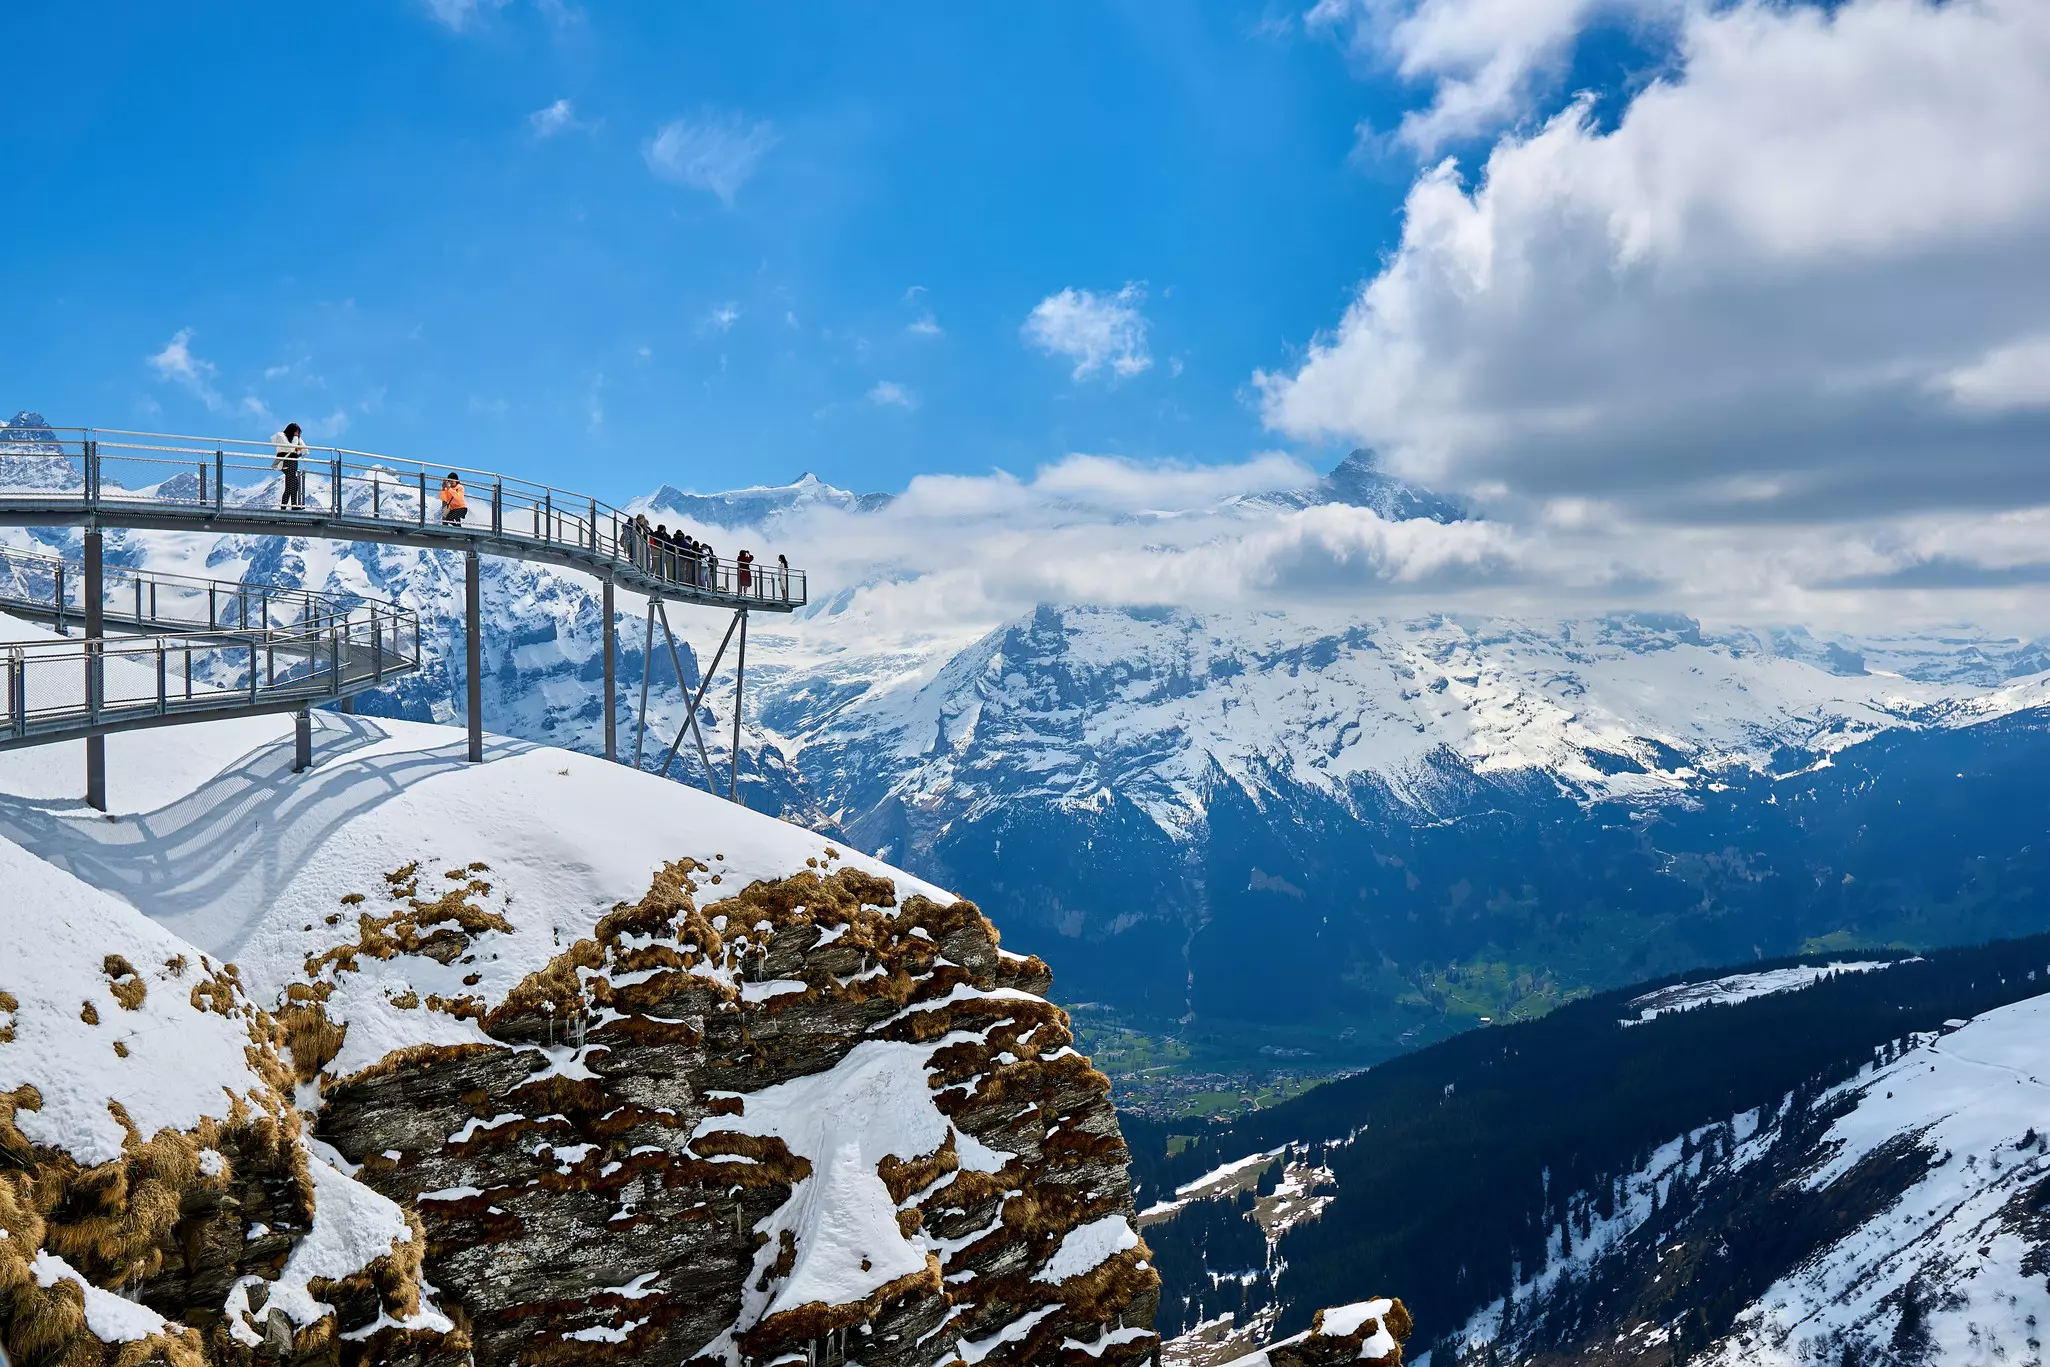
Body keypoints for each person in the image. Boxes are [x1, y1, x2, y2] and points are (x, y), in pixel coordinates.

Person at [272, 423, 307, 510]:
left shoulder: (294, 439)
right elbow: (291, 449)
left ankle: (284, 506)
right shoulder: (281, 436)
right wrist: (295, 438)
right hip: (286, 462)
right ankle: (293, 505)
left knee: (289, 486)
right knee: (294, 482)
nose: (297, 435)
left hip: (293, 463)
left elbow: (305, 450)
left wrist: (298, 439)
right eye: (296, 433)